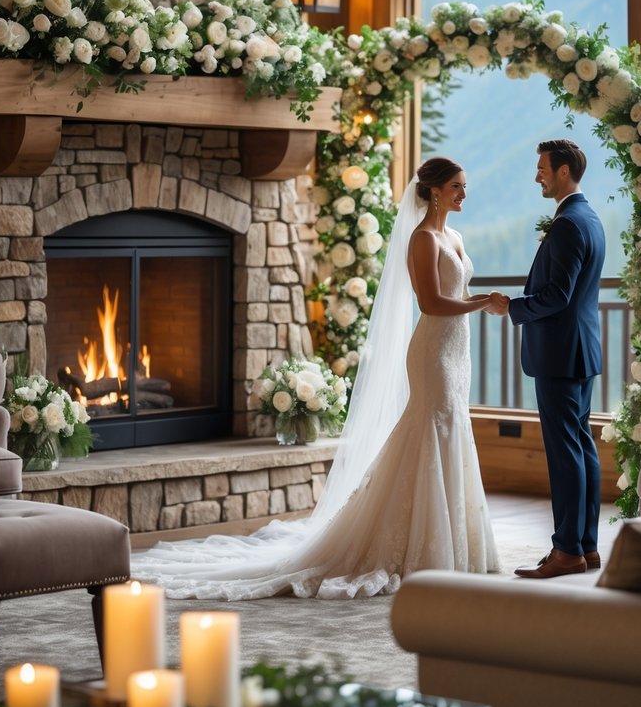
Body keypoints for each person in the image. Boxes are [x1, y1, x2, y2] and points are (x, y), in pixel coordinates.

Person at [133, 156, 502, 598]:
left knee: (452, 428)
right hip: (433, 353)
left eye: (465, 186)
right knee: (430, 428)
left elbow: (452, 297)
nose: (464, 194)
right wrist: (482, 302)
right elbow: (431, 303)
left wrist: (478, 303)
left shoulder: (454, 236)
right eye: (458, 186)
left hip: (456, 351)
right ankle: (421, 547)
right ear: (436, 190)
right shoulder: (423, 239)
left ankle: (456, 545)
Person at [493, 139, 605, 578]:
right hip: (581, 351)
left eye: (542, 167)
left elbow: (558, 296)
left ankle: (567, 552)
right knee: (581, 448)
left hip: (561, 354)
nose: (537, 174)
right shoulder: (588, 218)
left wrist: (513, 308)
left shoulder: (568, 225)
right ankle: (587, 548)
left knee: (565, 454)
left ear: (563, 172)